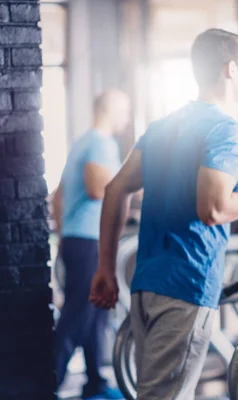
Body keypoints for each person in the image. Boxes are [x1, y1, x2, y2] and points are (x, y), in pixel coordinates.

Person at [88, 28, 238, 399]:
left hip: (147, 282)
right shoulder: (227, 130)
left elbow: (116, 190)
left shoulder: (164, 127)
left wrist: (105, 267)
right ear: (230, 69)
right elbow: (213, 208)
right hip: (187, 283)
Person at [52, 89, 130, 399]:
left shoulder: (81, 143)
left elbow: (58, 196)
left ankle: (96, 382)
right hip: (88, 241)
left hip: (76, 237)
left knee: (97, 314)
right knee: (77, 316)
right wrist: (132, 187)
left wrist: (63, 233)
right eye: (124, 111)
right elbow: (99, 189)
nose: (126, 118)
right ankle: (46, 385)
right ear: (109, 109)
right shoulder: (101, 143)